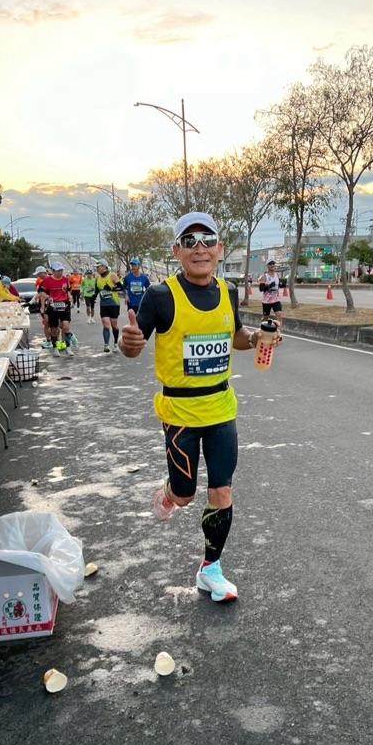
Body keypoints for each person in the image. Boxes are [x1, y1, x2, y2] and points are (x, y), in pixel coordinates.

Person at [119, 211, 280, 603]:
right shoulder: (161, 296)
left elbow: (236, 334)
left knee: (221, 491)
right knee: (186, 495)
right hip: (180, 414)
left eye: (207, 240)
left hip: (222, 408)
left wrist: (256, 338)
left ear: (220, 249)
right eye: (189, 241)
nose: (200, 249)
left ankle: (211, 568)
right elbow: (134, 344)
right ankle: (169, 492)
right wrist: (129, 344)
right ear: (176, 251)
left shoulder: (228, 291)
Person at [38, 262, 74, 356]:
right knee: (54, 329)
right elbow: (41, 293)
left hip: (65, 305)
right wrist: (48, 298)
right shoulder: (47, 281)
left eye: (61, 270)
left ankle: (68, 347)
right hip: (53, 306)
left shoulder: (66, 280)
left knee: (66, 326)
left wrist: (71, 299)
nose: (60, 272)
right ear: (53, 271)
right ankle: (55, 347)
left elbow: (68, 292)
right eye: (58, 271)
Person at [96, 261, 123, 354]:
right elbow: (96, 291)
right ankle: (106, 345)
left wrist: (111, 289)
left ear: (104, 267)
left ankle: (115, 344)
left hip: (114, 304)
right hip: (104, 305)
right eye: (96, 267)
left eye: (98, 267)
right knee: (106, 325)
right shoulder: (97, 278)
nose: (97, 269)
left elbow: (121, 288)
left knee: (114, 325)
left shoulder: (112, 276)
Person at [259, 260, 284, 325]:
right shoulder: (264, 276)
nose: (272, 265)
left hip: (276, 300)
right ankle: (262, 328)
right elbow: (261, 289)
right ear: (267, 266)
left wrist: (281, 284)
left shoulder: (277, 275)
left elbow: (278, 285)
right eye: (270, 264)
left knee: (279, 316)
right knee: (265, 318)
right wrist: (269, 286)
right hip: (266, 301)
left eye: (273, 263)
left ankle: (278, 331)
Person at [33, 266, 53, 348]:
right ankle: (49, 340)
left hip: (53, 304)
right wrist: (42, 306)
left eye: (38, 274)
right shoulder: (41, 282)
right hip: (44, 304)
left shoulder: (52, 280)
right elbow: (41, 295)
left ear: (42, 273)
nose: (37, 276)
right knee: (46, 322)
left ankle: (55, 339)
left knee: (55, 324)